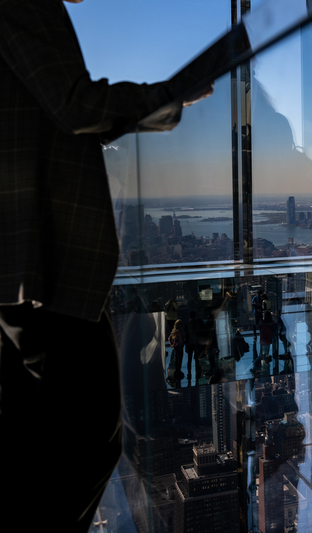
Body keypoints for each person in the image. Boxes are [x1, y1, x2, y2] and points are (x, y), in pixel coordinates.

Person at [0, 2, 211, 526]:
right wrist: (170, 94)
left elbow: (61, 115)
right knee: (89, 440)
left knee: (41, 441)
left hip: (28, 268)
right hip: (42, 267)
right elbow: (76, 107)